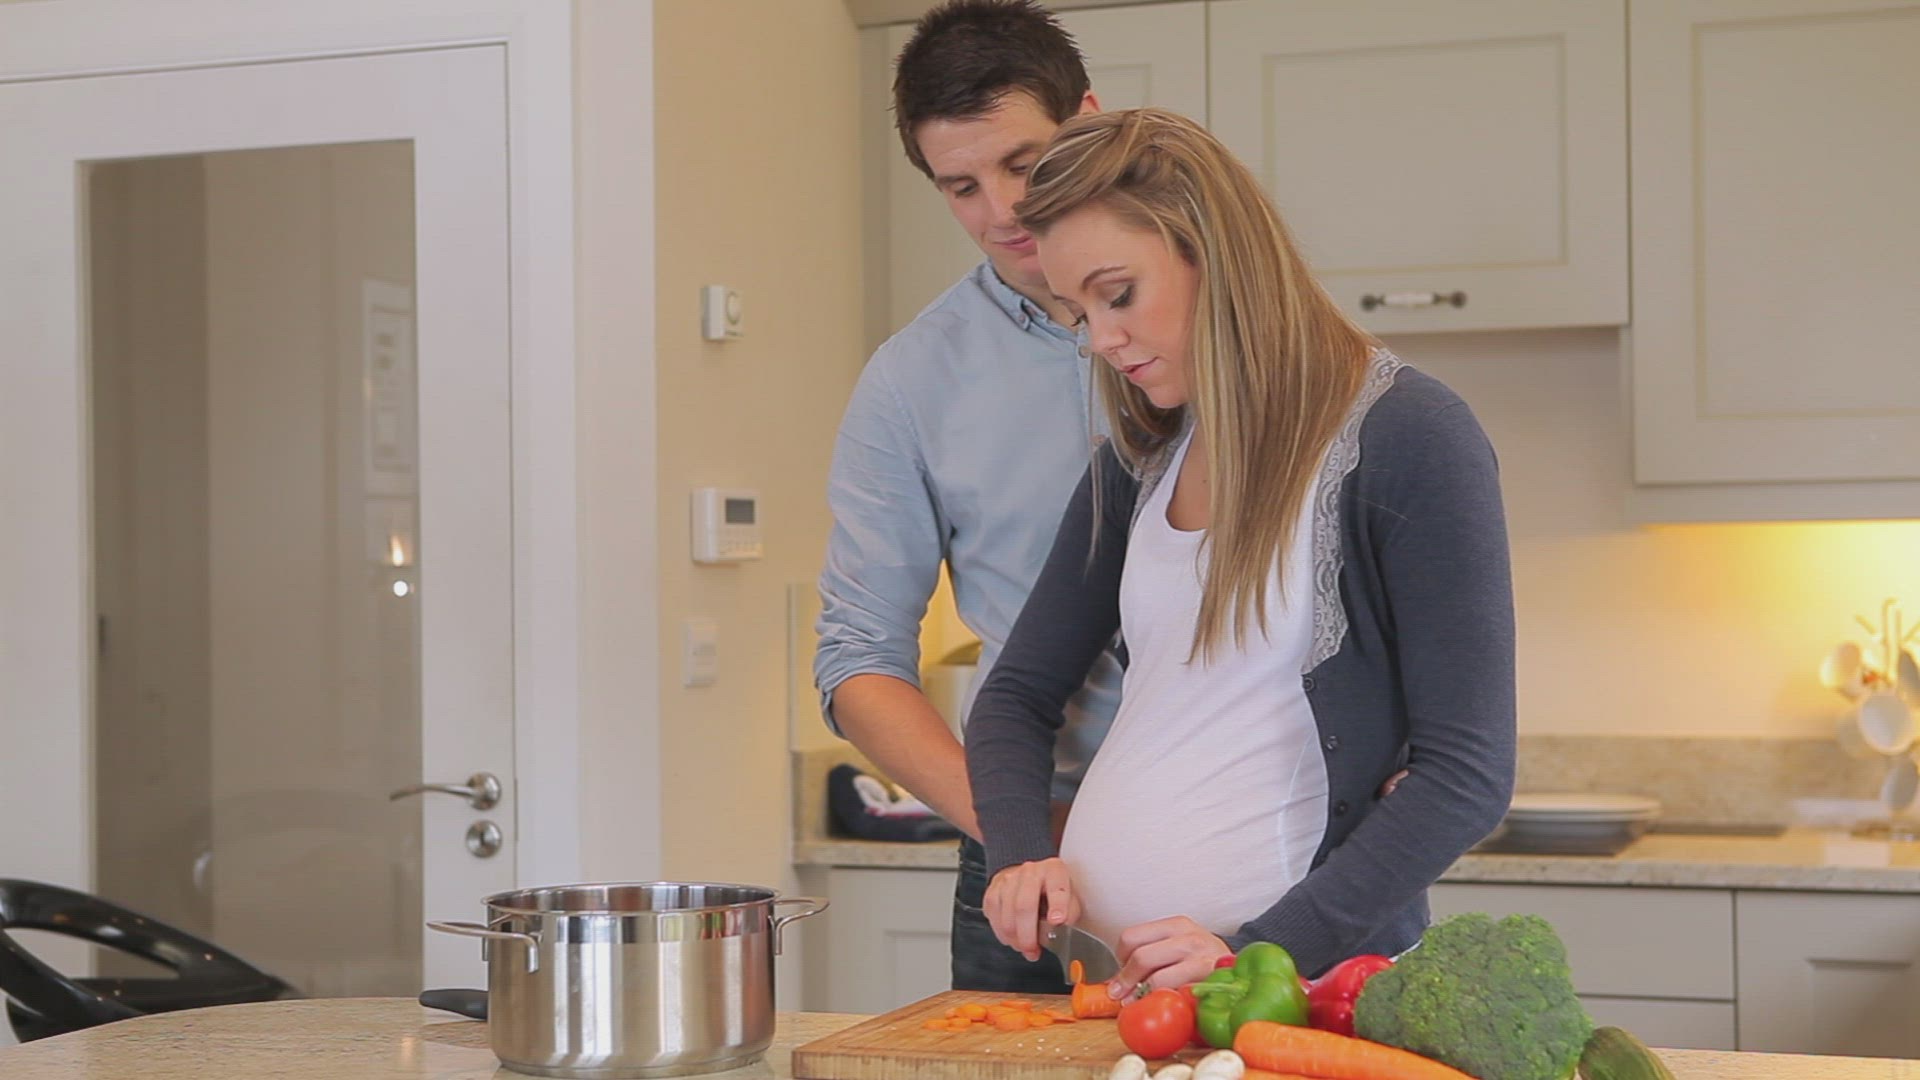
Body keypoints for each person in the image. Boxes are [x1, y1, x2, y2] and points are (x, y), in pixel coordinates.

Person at [964, 108, 1517, 1000]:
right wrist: (1020, 851)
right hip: (1122, 991)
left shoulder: (1413, 435)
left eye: (1118, 294)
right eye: (1077, 312)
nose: (1100, 338)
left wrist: (1255, 954)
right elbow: (1016, 695)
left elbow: (1467, 776)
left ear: (1212, 250)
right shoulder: (1140, 461)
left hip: (1300, 996)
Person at [812, 0, 1121, 995]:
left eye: (1026, 163)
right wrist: (1020, 831)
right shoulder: (911, 382)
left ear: (1089, 119)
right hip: (1033, 862)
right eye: (961, 186)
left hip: (1254, 833)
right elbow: (857, 660)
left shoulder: (1229, 318)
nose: (1004, 211)